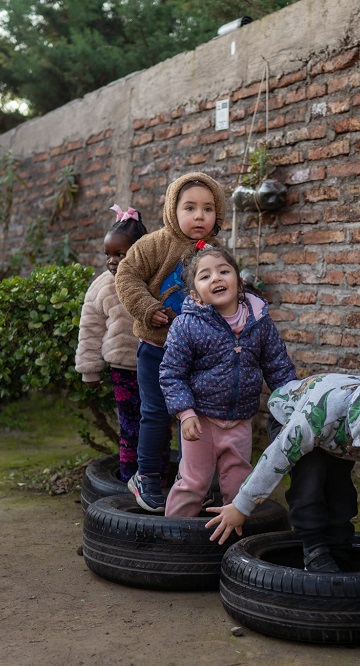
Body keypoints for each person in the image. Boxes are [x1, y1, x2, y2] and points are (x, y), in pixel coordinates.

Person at [206, 366, 360, 573]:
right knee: (310, 479)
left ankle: (338, 546)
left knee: (341, 490)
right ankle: (314, 548)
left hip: (337, 439)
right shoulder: (320, 417)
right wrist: (242, 506)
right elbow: (275, 458)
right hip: (294, 417)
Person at [159, 241, 296, 518]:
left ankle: (234, 545)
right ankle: (173, 539)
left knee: (239, 485)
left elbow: (277, 364)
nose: (216, 278)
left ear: (238, 282)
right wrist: (185, 413)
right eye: (205, 276)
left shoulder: (258, 321)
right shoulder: (187, 325)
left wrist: (291, 402)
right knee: (194, 483)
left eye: (224, 271)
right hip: (201, 421)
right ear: (196, 295)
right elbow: (172, 373)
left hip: (240, 420)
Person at [115, 172, 225, 512]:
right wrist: (148, 308)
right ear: (172, 210)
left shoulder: (216, 251)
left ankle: (190, 480)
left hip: (199, 354)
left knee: (195, 416)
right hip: (157, 348)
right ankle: (146, 476)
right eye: (189, 207)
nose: (199, 216)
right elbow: (126, 275)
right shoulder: (155, 244)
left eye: (208, 209)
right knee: (157, 412)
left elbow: (228, 289)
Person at [75, 205, 148, 482]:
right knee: (130, 426)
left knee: (157, 426)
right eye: (108, 254)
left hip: (158, 368)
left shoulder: (154, 282)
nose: (112, 261)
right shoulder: (102, 286)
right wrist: (89, 369)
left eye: (120, 254)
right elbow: (90, 329)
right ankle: (130, 478)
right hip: (124, 370)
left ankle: (157, 478)